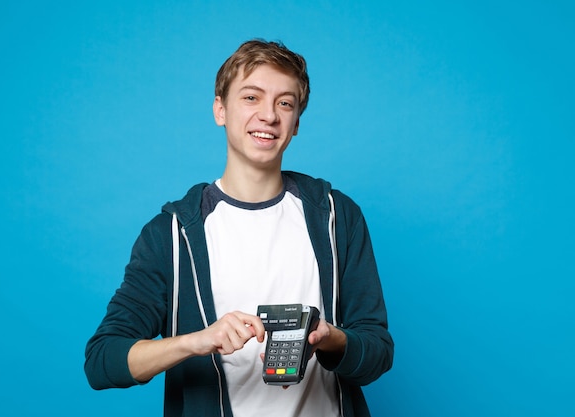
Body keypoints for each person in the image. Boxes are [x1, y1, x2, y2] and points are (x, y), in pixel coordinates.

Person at [85, 39, 393, 417]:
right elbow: (103, 361)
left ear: (296, 123)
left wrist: (330, 338)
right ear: (220, 109)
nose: (269, 115)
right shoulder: (173, 234)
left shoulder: (335, 216)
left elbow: (378, 353)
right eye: (251, 98)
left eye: (285, 102)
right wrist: (197, 341)